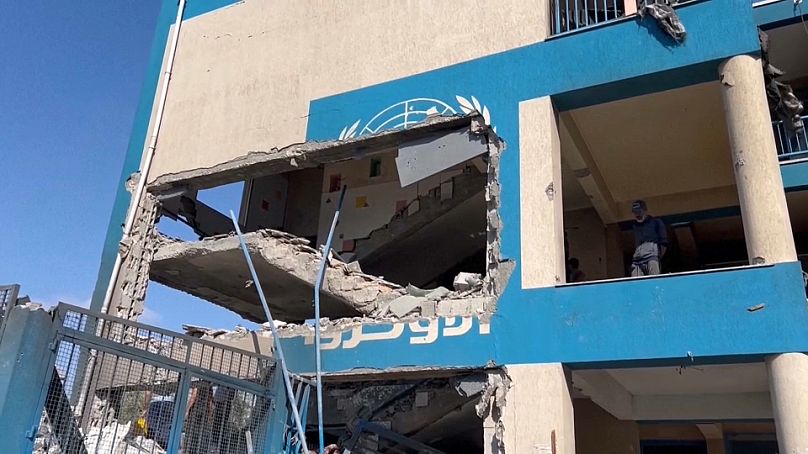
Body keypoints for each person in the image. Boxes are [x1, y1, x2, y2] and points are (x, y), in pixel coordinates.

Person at [629, 200, 667, 277]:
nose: (637, 214)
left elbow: (664, 243)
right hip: (637, 261)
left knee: (654, 283)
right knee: (636, 285)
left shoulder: (656, 222)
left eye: (639, 211)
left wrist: (656, 257)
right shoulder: (634, 225)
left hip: (651, 258)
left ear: (645, 210)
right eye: (635, 212)